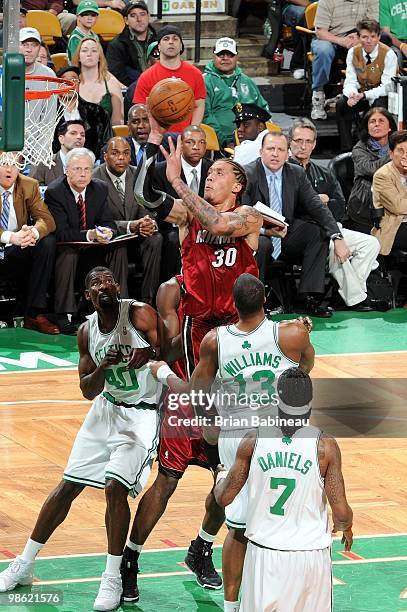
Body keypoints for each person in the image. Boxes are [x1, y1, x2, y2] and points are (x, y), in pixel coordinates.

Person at [149, 273, 315, 612]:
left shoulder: (214, 340)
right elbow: (306, 367)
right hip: (275, 433)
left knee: (237, 515)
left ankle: (219, 581)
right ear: (266, 299)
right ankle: (253, 583)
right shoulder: (293, 333)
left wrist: (208, 424)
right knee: (257, 514)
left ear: (232, 305)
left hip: (235, 433)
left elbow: (198, 389)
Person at [0, 266, 161, 612]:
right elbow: (87, 390)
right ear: (88, 296)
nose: (102, 285)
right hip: (104, 410)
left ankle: (112, 576)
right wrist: (104, 366)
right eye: (94, 283)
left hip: (142, 413)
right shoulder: (87, 331)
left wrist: (146, 354)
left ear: (117, 286)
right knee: (66, 486)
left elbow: (167, 351)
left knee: (115, 487)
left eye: (107, 280)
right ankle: (24, 563)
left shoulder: (139, 313)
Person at [119, 274, 224, 603]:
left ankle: (201, 549)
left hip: (221, 395)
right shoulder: (172, 289)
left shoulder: (236, 285)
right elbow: (166, 349)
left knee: (227, 479)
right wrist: (202, 320)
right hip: (183, 393)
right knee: (166, 480)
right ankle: (130, 559)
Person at [214, 366, 353, 612]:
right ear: (310, 401)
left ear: (276, 399)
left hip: (265, 557)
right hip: (312, 559)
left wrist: (221, 475)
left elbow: (224, 498)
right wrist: (345, 527)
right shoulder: (325, 447)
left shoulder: (253, 441)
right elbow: (341, 513)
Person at [135, 122, 262, 378]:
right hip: (197, 322)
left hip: (238, 321)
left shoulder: (248, 216)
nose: (210, 176)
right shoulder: (186, 213)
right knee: (200, 399)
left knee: (238, 394)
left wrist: (175, 181)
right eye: (210, 172)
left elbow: (217, 224)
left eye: (219, 173)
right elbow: (143, 195)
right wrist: (152, 142)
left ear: (237, 187)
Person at [243, 131, 346, 316]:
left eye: (280, 149)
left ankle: (306, 298)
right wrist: (266, 231)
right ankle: (255, 301)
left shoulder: (296, 173)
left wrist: (337, 236)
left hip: (284, 233)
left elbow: (317, 207)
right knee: (263, 244)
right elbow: (241, 214)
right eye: (270, 149)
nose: (275, 154)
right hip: (257, 233)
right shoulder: (248, 174)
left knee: (316, 232)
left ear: (287, 153)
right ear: (261, 152)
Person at [289, 117, 380, 310]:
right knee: (334, 248)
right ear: (290, 142)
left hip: (332, 227)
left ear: (314, 145)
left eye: (308, 141)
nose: (303, 146)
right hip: (307, 233)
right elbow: (292, 209)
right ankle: (355, 299)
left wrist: (325, 203)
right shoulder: (285, 172)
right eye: (298, 141)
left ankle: (347, 295)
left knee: (371, 244)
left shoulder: (324, 173)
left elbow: (340, 206)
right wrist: (316, 202)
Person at [44, 147, 127, 333]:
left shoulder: (99, 188)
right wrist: (90, 235)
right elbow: (61, 233)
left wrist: (107, 232)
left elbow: (108, 222)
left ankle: (117, 307)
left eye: (87, 169)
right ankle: (63, 314)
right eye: (77, 169)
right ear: (66, 170)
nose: (83, 174)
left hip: (91, 250)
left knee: (118, 248)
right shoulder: (55, 192)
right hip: (64, 249)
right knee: (68, 253)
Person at [93, 136, 162, 303]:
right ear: (105, 155)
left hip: (136, 236)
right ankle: (119, 303)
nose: (121, 158)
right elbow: (99, 221)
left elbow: (147, 207)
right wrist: (132, 225)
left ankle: (148, 300)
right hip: (108, 239)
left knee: (156, 239)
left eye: (126, 153)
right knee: (119, 245)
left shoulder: (138, 175)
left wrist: (148, 223)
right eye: (115, 153)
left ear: (131, 156)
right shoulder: (95, 179)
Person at [0, 160, 58, 334]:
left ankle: (33, 313)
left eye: (14, 164)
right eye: (4, 164)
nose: (10, 169)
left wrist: (32, 233)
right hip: (7, 241)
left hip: (15, 250)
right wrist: (11, 237)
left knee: (47, 242)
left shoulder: (28, 185)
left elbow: (47, 220)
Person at [153, 125, 213, 281]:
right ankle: (170, 287)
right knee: (173, 239)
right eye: (190, 142)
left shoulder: (214, 169)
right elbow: (157, 209)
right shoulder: (161, 170)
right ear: (180, 145)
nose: (196, 147)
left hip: (207, 228)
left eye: (201, 143)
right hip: (172, 229)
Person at [336, 19, 398, 152]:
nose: (369, 41)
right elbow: (350, 80)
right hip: (361, 94)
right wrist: (351, 94)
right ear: (358, 37)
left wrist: (364, 95)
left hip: (382, 95)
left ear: (379, 37)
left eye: (373, 37)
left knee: (379, 105)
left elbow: (387, 87)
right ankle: (346, 150)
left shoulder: (389, 54)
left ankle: (374, 148)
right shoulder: (353, 52)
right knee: (342, 104)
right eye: (364, 37)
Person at [310, 0, 378, 120]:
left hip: (358, 37)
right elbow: (320, 32)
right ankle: (318, 95)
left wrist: (359, 38)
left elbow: (372, 26)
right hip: (331, 38)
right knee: (323, 50)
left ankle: (366, 98)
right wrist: (342, 41)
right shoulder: (327, 2)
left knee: (372, 44)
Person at [133, 25, 206, 133]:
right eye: (166, 39)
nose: (171, 42)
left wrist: (191, 132)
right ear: (158, 46)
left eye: (175, 39)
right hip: (157, 136)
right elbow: (141, 110)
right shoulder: (146, 77)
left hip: (185, 137)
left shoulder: (195, 74)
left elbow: (199, 105)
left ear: (181, 46)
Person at [203, 37, 270, 148]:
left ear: (237, 57)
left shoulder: (246, 81)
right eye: (221, 55)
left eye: (230, 55)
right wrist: (224, 141)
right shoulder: (205, 81)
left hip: (252, 142)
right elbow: (205, 116)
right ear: (213, 56)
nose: (225, 59)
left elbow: (263, 109)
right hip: (220, 144)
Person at [53, 65, 113, 159]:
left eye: (73, 80)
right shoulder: (47, 115)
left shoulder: (98, 113)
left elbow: (107, 143)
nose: (69, 84)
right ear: (57, 85)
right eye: (64, 81)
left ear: (78, 84)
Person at [73, 37, 124, 126]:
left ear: (100, 57)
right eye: (85, 51)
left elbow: (118, 124)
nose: (89, 54)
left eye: (94, 51)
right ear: (79, 57)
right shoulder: (72, 86)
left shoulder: (112, 85)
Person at [106, 0, 157, 87]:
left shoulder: (161, 40)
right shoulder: (116, 45)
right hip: (132, 91)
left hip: (161, 88)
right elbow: (117, 75)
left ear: (148, 17)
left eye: (142, 14)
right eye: (133, 16)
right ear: (126, 20)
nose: (139, 19)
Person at [372, 130, 407, 255]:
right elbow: (398, 206)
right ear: (391, 153)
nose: (405, 155)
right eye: (400, 150)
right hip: (394, 226)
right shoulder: (382, 176)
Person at [31, 120, 86, 186]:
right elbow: (31, 191)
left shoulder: (90, 166)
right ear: (61, 139)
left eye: (82, 135)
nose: (79, 137)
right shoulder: (43, 163)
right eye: (73, 133)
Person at [380, 0, 407, 66]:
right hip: (395, 41)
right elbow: (386, 32)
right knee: (393, 55)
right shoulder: (385, 1)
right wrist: (402, 46)